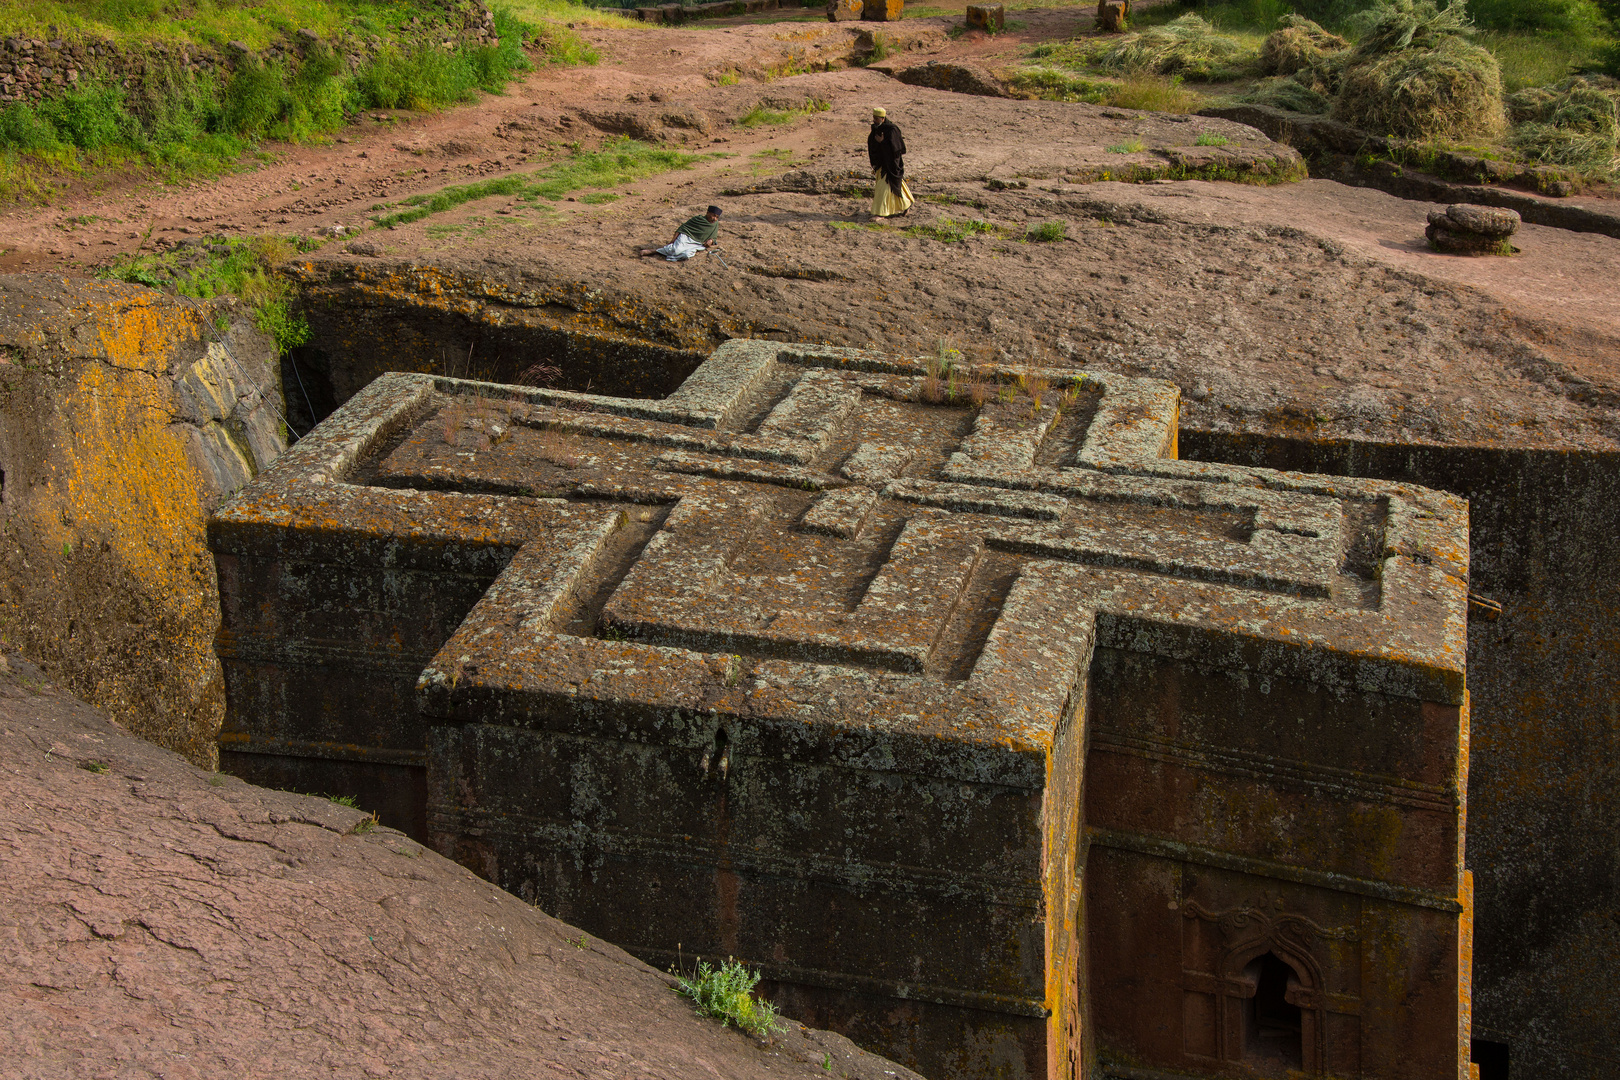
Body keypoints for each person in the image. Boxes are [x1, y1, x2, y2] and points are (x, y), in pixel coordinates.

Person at [867, 108, 914, 219]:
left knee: (883, 189)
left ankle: (880, 213)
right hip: (882, 164)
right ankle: (906, 204)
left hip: (890, 165)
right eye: (873, 118)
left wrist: (882, 142)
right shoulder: (876, 129)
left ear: (883, 118)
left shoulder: (892, 130)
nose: (874, 120)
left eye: (876, 118)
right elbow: (872, 144)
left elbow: (896, 149)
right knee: (894, 186)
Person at [640, 205, 723, 261]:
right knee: (676, 250)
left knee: (686, 255)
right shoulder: (697, 219)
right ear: (707, 213)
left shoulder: (715, 224)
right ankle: (654, 251)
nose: (714, 218)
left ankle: (667, 253)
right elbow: (682, 228)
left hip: (698, 243)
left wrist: (711, 241)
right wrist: (672, 241)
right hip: (686, 237)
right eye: (713, 215)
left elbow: (714, 236)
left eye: (717, 217)